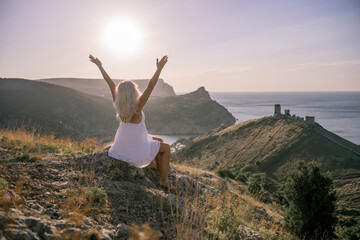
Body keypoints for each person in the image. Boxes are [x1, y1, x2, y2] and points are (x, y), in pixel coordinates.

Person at [89, 54, 174, 190]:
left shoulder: (119, 104)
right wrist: (159, 69)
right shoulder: (138, 106)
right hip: (134, 153)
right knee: (166, 148)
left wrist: (100, 66)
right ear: (134, 92)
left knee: (158, 139)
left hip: (124, 145)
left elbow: (110, 83)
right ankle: (164, 181)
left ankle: (159, 171)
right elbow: (151, 86)